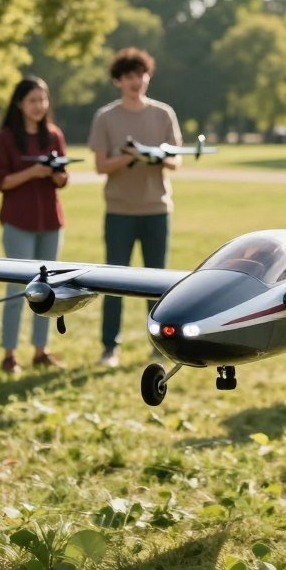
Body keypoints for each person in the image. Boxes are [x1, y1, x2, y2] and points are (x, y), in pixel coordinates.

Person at [88, 48, 182, 368]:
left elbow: (176, 160)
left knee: (158, 283)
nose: (136, 82)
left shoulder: (163, 113)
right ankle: (109, 347)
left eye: (140, 75)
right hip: (119, 211)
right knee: (114, 280)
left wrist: (156, 156)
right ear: (118, 81)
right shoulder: (106, 117)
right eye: (128, 76)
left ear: (148, 77)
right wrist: (129, 157)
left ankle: (161, 343)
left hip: (156, 208)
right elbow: (101, 166)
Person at [0, 77, 69, 373]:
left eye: (43, 100)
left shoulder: (54, 135)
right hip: (18, 222)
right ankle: (9, 353)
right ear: (20, 103)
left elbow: (63, 180)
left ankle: (40, 349)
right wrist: (33, 171)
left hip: (50, 221)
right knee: (19, 287)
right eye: (33, 100)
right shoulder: (6, 138)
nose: (39, 106)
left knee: (47, 289)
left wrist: (53, 173)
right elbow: (0, 182)